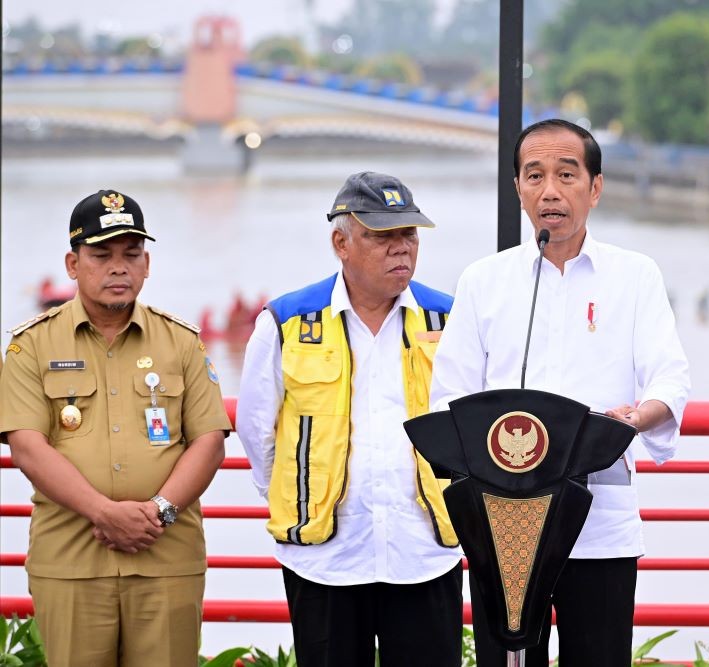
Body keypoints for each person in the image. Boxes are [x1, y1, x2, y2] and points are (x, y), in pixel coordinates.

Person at [430, 119, 691, 667]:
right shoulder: (484, 280)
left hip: (599, 521)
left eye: (566, 174)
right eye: (535, 175)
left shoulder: (635, 276)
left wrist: (639, 416)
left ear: (595, 187)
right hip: (505, 525)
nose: (550, 190)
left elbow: (670, 378)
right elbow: (448, 398)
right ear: (518, 189)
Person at [236, 172, 463, 667]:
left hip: (423, 551)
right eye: (383, 236)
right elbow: (257, 433)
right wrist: (303, 495)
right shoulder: (285, 322)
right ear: (341, 242)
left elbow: (473, 425)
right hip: (325, 559)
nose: (401, 249)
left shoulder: (449, 319)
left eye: (409, 235)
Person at [0, 189, 231, 667]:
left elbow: (208, 441)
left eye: (132, 255)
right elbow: (27, 445)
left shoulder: (182, 343)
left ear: (147, 265)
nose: (119, 267)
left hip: (166, 559)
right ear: (72, 263)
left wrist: (161, 512)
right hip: (72, 560)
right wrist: (103, 512)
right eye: (101, 255)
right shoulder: (32, 345)